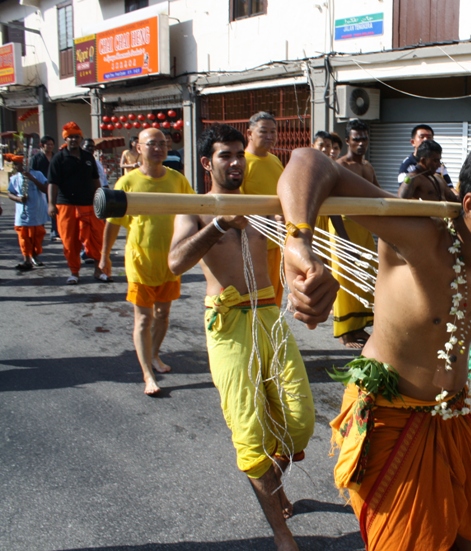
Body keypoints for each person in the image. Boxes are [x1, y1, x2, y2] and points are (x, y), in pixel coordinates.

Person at [277, 129, 471, 551]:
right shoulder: (421, 239)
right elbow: (309, 162)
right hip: (391, 419)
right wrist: (298, 241)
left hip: (455, 417)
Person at [168, 124, 314, 551]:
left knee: (300, 423)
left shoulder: (263, 204)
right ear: (205, 163)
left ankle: (275, 482)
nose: (234, 163)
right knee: (250, 435)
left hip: (269, 313)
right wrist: (216, 224)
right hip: (228, 323)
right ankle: (282, 534)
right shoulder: (192, 207)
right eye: (225, 156)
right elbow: (176, 262)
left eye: (238, 155)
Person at [100, 128, 194, 396]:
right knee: (144, 319)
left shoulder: (177, 180)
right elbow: (112, 223)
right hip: (140, 261)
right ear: (138, 148)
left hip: (171, 261)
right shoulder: (128, 182)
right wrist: (104, 255)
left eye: (163, 144)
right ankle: (147, 374)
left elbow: (195, 211)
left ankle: (154, 355)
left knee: (163, 315)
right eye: (152, 144)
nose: (159, 148)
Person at [330, 119, 379, 348]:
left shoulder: (368, 167)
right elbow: (331, 206)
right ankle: (345, 333)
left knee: (364, 276)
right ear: (348, 140)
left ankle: (358, 327)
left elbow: (378, 195)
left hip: (364, 229)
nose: (361, 142)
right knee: (344, 278)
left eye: (364, 138)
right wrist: (343, 239)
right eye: (356, 138)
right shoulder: (339, 167)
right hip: (343, 227)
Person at [47, 122, 106, 285]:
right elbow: (52, 183)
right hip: (66, 205)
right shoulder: (58, 158)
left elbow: (96, 181)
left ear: (80, 138)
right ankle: (74, 272)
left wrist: (100, 200)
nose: (73, 140)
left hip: (89, 204)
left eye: (76, 137)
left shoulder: (88, 157)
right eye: (70, 137)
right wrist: (51, 204)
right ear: (65, 139)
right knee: (70, 240)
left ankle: (98, 270)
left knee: (96, 238)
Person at [240, 111, 287, 305]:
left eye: (273, 132)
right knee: (255, 301)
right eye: (264, 131)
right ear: (249, 133)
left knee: (274, 301)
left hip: (277, 244)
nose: (270, 136)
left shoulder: (275, 160)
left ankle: (270, 336)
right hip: (253, 246)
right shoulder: (242, 163)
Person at [7, 155, 49, 271]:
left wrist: (32, 178)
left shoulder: (38, 174)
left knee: (37, 236)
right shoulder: (14, 178)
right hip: (23, 214)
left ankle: (35, 256)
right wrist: (18, 199)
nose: (15, 166)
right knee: (23, 237)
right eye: (14, 164)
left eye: (17, 164)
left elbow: (45, 189)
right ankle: (26, 259)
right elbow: (10, 193)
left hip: (37, 212)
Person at [397, 124, 453, 188]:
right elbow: (404, 192)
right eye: (421, 137)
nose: (426, 140)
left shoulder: (439, 165)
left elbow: (449, 188)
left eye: (429, 137)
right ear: (413, 142)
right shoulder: (407, 166)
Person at [31, 135, 58, 241]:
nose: (50, 146)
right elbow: (32, 173)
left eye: (52, 144)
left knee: (54, 209)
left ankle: (55, 231)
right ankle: (39, 231)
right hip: (41, 187)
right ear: (42, 145)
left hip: (54, 187)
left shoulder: (56, 157)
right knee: (41, 209)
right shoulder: (36, 158)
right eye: (48, 144)